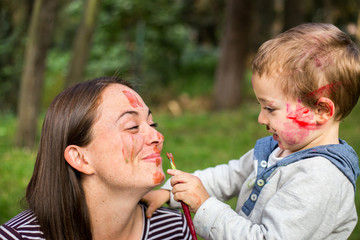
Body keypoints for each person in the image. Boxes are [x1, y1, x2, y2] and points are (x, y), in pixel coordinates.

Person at [142, 23, 360, 239]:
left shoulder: (320, 179)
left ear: (321, 110)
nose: (261, 118)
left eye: (270, 108)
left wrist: (204, 205)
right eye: (260, 106)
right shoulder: (278, 150)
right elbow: (230, 175)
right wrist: (170, 193)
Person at [0, 77, 193, 240]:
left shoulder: (174, 229)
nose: (158, 137)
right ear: (80, 158)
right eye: (133, 127)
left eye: (153, 124)